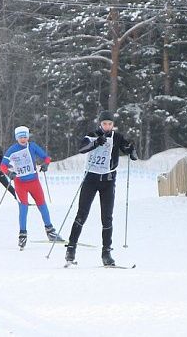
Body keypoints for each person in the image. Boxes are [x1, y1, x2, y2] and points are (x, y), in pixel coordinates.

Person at [65, 111, 138, 267]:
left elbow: (126, 148)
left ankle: (106, 253)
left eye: (110, 124)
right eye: (104, 124)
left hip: (108, 180)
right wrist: (96, 142)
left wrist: (132, 150)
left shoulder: (117, 137)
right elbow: (82, 148)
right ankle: (71, 249)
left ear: (113, 125)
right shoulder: (92, 135)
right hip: (90, 179)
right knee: (82, 214)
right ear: (100, 124)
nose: (107, 126)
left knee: (107, 217)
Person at [0, 126, 62, 250]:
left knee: (42, 205)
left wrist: (46, 164)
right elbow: (3, 166)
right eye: (20, 137)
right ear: (17, 138)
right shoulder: (12, 150)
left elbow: (47, 157)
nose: (23, 139)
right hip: (20, 183)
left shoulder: (32, 146)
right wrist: (9, 173)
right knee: (23, 208)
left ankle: (50, 231)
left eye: (25, 137)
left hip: (34, 182)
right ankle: (22, 235)